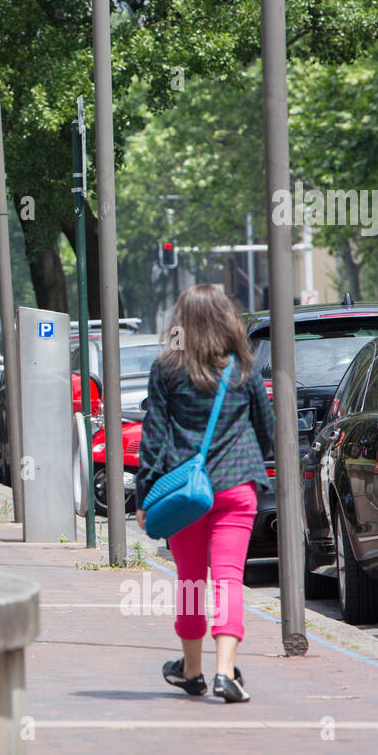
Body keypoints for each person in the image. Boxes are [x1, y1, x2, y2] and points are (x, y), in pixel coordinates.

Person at [135, 284, 275, 703]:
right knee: (229, 578)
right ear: (225, 319)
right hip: (236, 487)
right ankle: (224, 671)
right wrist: (248, 458)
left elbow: (154, 437)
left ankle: (192, 670)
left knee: (191, 582)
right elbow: (266, 429)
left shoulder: (166, 370)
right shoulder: (242, 368)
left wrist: (145, 496)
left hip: (185, 493)